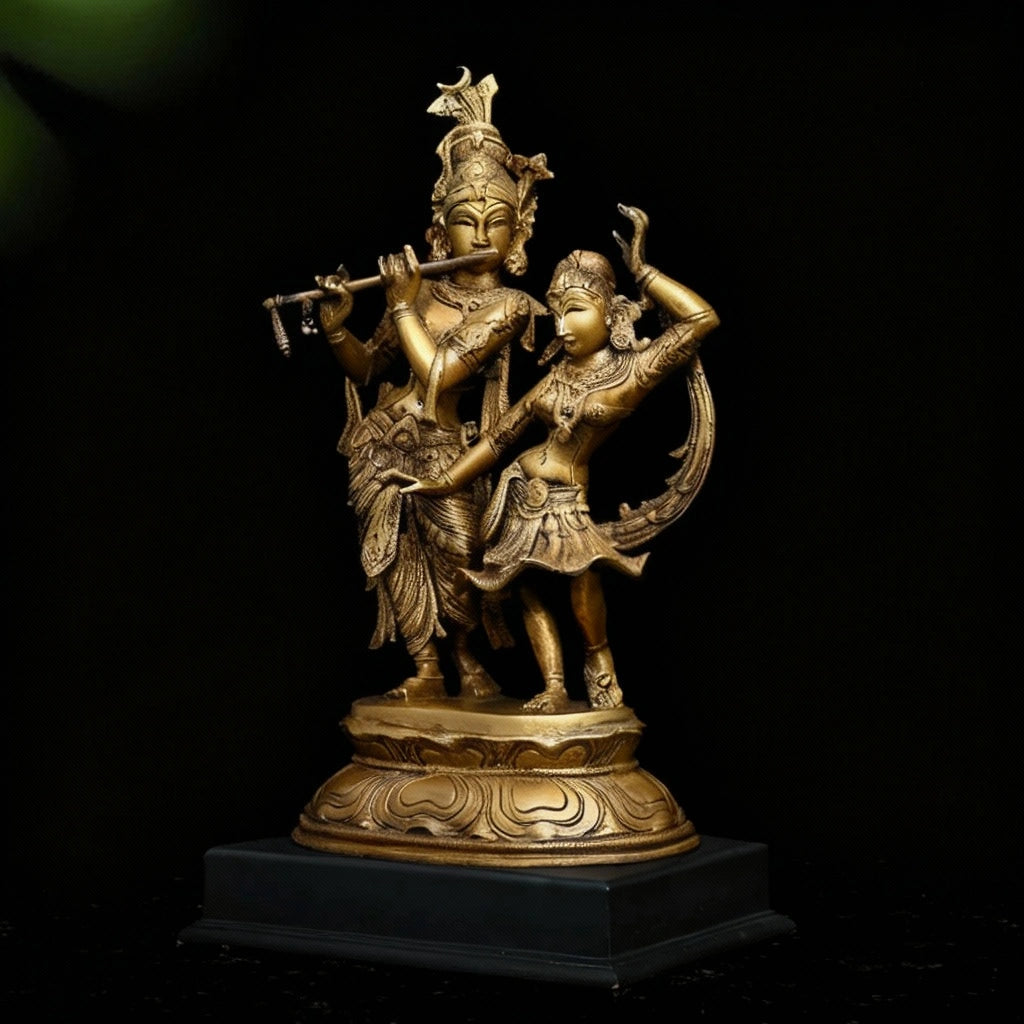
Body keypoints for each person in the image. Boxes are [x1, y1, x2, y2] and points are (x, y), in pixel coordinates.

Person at [398, 205, 719, 712]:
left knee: (580, 582)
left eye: (576, 310)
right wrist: (445, 481)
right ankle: (552, 685)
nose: (563, 326)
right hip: (519, 496)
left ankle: (599, 662)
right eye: (557, 310)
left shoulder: (633, 371)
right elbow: (499, 439)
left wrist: (643, 271)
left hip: (567, 499)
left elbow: (701, 319)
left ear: (610, 313)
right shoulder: (556, 376)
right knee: (526, 591)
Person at [315, 70, 552, 700]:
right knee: (393, 551)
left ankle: (468, 659)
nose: (481, 236)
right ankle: (424, 667)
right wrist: (338, 331)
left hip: (448, 448)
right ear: (440, 233)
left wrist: (400, 305)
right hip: (382, 443)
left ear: (518, 232)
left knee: (461, 556)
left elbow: (441, 373)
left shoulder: (510, 306)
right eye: (466, 221)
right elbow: (371, 369)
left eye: (496, 222)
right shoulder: (423, 294)